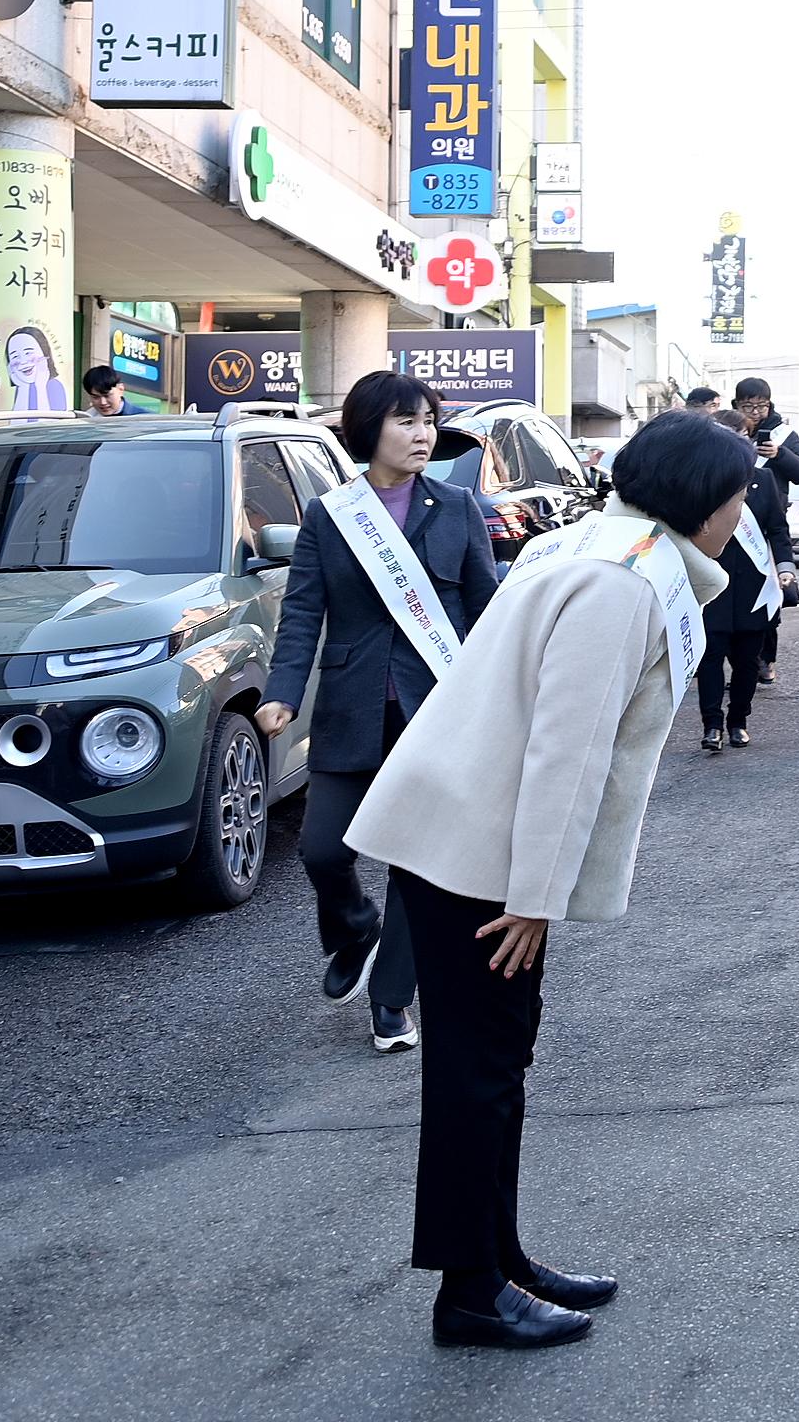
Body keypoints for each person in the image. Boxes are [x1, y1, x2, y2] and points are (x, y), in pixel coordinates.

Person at [344, 409, 748, 1350]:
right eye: (736, 498)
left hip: (467, 828)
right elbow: (566, 750)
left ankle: (499, 1254)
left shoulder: (599, 543)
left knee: (496, 1066)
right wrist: (534, 894)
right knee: (477, 1073)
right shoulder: (623, 583)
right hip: (481, 848)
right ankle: (471, 1290)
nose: (742, 513)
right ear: (700, 500)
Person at [257, 371, 499, 1054]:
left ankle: (392, 1001)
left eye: (427, 419)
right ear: (370, 430)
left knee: (416, 864)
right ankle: (354, 930)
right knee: (323, 850)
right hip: (353, 707)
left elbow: (485, 607)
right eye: (405, 421)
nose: (422, 432)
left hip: (438, 708)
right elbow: (303, 612)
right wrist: (281, 690)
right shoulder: (332, 516)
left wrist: (501, 698)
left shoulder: (456, 507)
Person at [699, 410, 795, 750]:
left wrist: (785, 566)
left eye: (739, 435)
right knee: (709, 658)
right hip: (711, 584)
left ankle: (738, 720)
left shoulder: (763, 480)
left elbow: (778, 529)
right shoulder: (701, 480)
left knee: (746, 662)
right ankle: (712, 726)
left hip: (754, 586)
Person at [734, 377, 799, 683]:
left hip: (766, 526)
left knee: (766, 596)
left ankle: (766, 659)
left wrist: (780, 454)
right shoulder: (727, 431)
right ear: (736, 405)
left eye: (761, 406)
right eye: (748, 406)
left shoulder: (782, 433)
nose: (755, 413)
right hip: (727, 523)